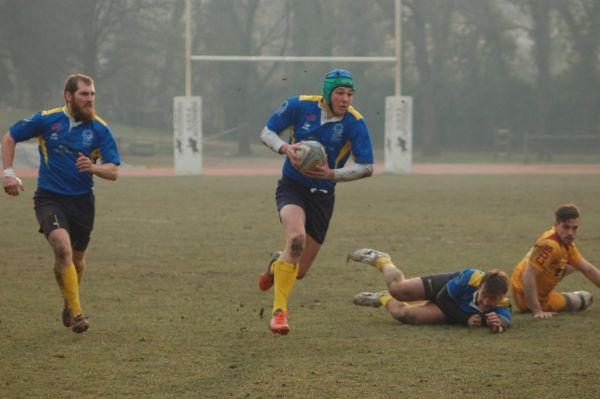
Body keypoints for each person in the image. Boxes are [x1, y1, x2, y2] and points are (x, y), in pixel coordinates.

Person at [258, 68, 374, 334]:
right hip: (292, 187)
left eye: (349, 94)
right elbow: (267, 132)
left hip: (323, 196)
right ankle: (279, 313)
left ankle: (277, 264)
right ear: (327, 93)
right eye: (340, 93)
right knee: (296, 239)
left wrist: (331, 174)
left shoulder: (355, 123)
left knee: (298, 270)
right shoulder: (299, 105)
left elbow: (367, 166)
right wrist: (285, 148)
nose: (345, 99)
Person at [2, 73, 120, 333]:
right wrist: (8, 172)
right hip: (49, 198)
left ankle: (69, 302)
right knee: (62, 250)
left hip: (82, 202)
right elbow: (10, 136)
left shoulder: (100, 129)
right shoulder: (47, 119)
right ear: (69, 96)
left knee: (76, 261)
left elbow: (113, 171)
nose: (90, 99)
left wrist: (93, 168)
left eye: (92, 94)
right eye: (84, 94)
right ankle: (77, 314)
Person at [349, 248, 512, 333]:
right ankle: (381, 260)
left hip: (450, 310)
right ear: (480, 286)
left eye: (493, 299)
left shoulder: (503, 305)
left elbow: (504, 322)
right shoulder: (471, 277)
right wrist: (466, 319)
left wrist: (496, 326)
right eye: (484, 295)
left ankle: (383, 298)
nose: (486, 302)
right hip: (445, 290)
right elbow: (443, 299)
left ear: (502, 297)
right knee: (398, 289)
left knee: (407, 316)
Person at [511, 204, 599, 319]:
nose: (570, 233)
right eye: (566, 227)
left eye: (574, 228)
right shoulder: (550, 245)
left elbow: (588, 270)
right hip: (525, 298)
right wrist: (537, 310)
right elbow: (527, 275)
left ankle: (559, 296)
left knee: (573, 265)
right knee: (586, 299)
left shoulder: (566, 243)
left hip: (542, 295)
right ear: (556, 224)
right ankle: (548, 302)